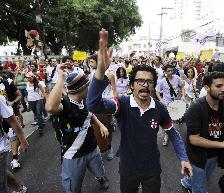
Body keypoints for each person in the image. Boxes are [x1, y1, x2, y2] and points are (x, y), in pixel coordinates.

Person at [87, 29, 192, 193]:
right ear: (131, 85)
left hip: (152, 168)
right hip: (128, 167)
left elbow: (173, 134)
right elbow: (93, 104)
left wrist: (184, 159)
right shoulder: (121, 103)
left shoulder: (160, 108)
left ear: (153, 85)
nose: (144, 84)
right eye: (140, 81)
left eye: (149, 82)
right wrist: (100, 72)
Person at [45, 66, 110, 193]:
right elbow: (50, 107)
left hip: (92, 147)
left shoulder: (85, 100)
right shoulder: (65, 105)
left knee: (99, 169)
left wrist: (100, 125)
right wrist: (61, 78)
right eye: (88, 86)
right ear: (81, 88)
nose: (90, 88)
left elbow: (89, 115)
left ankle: (100, 178)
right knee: (73, 188)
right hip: (73, 154)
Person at [181, 71, 224, 193]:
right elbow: (194, 139)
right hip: (196, 156)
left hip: (214, 156)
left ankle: (186, 182)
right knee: (200, 186)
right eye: (218, 86)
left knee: (204, 175)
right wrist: (223, 144)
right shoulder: (196, 107)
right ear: (207, 88)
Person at [0, 94, 29, 193]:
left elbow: (12, 120)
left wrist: (23, 140)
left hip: (0, 147)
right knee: (2, 172)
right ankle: (18, 188)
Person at [156, 64, 185, 146]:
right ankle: (166, 135)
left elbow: (182, 86)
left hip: (176, 102)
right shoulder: (162, 81)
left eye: (171, 70)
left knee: (175, 118)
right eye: (168, 71)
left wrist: (182, 95)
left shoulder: (177, 77)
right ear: (165, 72)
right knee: (167, 120)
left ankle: (174, 133)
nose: (170, 72)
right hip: (167, 103)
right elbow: (157, 91)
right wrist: (161, 100)